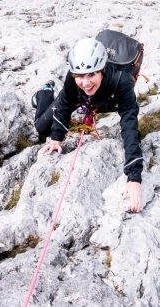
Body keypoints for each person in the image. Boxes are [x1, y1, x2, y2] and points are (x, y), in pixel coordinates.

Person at [35, 38, 143, 212]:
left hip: (107, 98)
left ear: (103, 70)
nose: (85, 82)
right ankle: (44, 92)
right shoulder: (73, 81)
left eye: (92, 74)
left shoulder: (122, 82)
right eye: (80, 76)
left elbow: (129, 125)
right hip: (84, 99)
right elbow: (64, 105)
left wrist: (134, 178)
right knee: (41, 128)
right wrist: (56, 138)